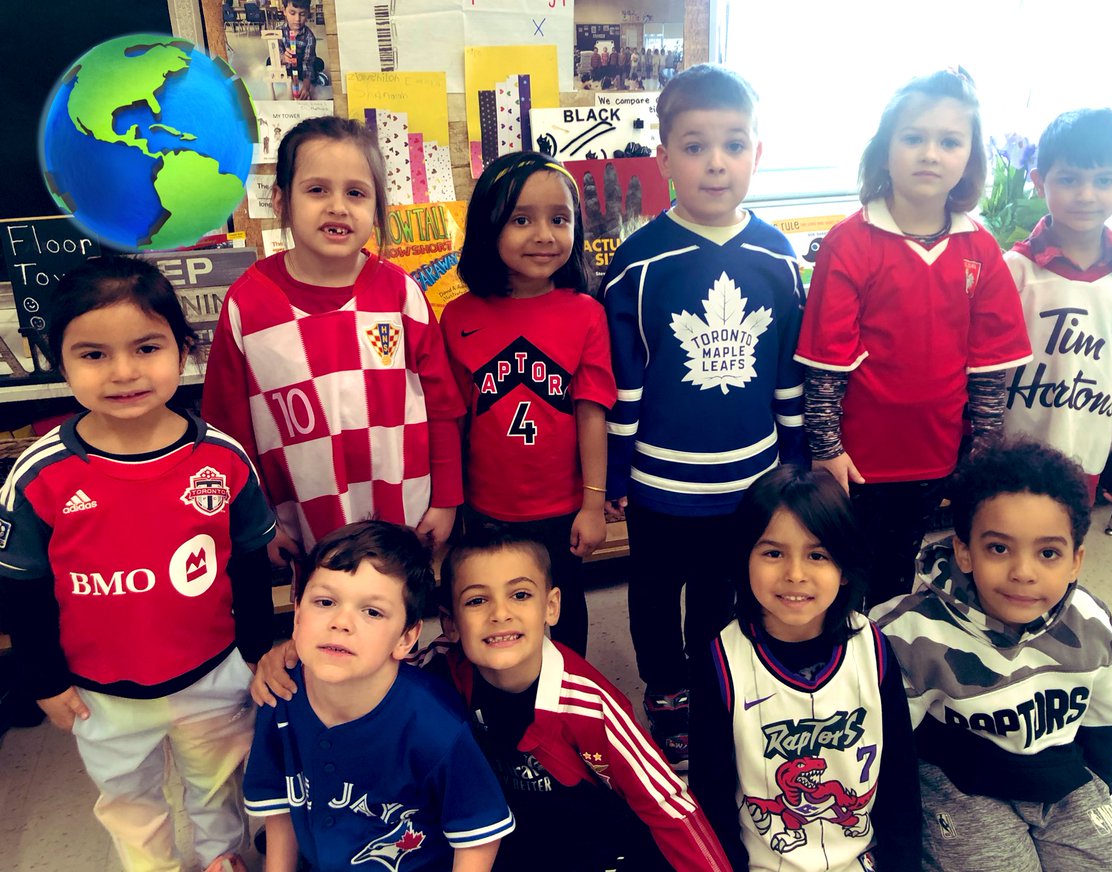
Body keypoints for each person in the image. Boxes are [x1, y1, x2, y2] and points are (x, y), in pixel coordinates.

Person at [0, 255, 278, 872]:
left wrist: (257, 650)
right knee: (129, 805)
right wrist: (42, 679)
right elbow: (23, 588)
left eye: (147, 347)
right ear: (59, 359)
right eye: (93, 354)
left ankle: (221, 861)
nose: (123, 372)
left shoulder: (223, 459)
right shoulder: (41, 475)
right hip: (100, 695)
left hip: (213, 676)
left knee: (217, 791)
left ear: (183, 350)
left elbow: (251, 563)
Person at [250, 527, 733, 871]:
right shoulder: (442, 663)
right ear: (452, 622)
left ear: (552, 607)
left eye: (520, 596)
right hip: (498, 836)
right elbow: (370, 656)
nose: (500, 615)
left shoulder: (590, 706)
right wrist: (290, 654)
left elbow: (672, 808)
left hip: (591, 846)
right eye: (478, 600)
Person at [603, 63, 806, 768]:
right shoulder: (637, 264)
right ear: (663, 159)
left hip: (749, 480)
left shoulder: (779, 259)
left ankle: (719, 692)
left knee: (726, 596)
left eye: (733, 144)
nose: (715, 163)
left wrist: (797, 462)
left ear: (757, 153)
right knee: (656, 596)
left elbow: (787, 374)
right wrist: (614, 478)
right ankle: (667, 696)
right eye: (693, 146)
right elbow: (624, 384)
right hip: (660, 484)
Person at [795, 69, 1032, 608]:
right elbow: (825, 366)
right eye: (913, 138)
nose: (930, 153)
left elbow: (989, 369)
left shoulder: (981, 249)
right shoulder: (849, 243)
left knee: (899, 568)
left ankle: (886, 661)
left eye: (949, 141)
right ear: (885, 151)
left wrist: (981, 453)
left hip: (936, 458)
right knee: (842, 569)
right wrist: (828, 449)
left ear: (969, 159)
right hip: (856, 463)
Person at [870, 438, 1112, 871]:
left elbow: (1104, 721)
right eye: (999, 548)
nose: (1023, 572)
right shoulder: (907, 633)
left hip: (1061, 777)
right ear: (964, 550)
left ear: (1075, 561)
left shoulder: (1090, 623)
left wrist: (1098, 789)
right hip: (961, 783)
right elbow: (890, 752)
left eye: (1048, 553)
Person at [202, 116, 465, 571]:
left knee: (394, 625)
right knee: (325, 628)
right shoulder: (249, 302)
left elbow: (442, 408)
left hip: (402, 517)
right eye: (317, 190)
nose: (338, 207)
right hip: (305, 526)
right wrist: (259, 523)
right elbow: (229, 432)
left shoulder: (402, 295)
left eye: (356, 193)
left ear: (378, 206)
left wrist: (446, 500)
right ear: (282, 200)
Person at [242, 521, 514, 871]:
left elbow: (478, 836)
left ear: (406, 638)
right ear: (297, 615)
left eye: (372, 611)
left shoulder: (435, 726)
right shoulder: (279, 691)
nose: (341, 622)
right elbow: (280, 809)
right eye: (325, 601)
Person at [690, 467, 920, 871]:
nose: (795, 573)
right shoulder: (721, 659)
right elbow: (711, 793)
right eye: (773, 552)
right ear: (744, 558)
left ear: (845, 568)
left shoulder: (874, 647)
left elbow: (900, 777)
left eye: (817, 555)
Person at [442, 152, 617, 656]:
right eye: (522, 219)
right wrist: (451, 506)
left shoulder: (586, 314)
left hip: (562, 508)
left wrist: (592, 503)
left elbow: (591, 412)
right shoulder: (458, 317)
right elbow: (452, 421)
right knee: (491, 614)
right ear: (487, 226)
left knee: (562, 617)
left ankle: (565, 708)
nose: (544, 234)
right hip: (486, 507)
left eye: (559, 219)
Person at [1003, 109, 1112, 503]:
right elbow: (982, 375)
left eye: (1104, 180)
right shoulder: (1012, 273)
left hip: (1088, 456)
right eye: (1069, 179)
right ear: (1039, 182)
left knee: (1061, 553)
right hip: (1009, 456)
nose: (1087, 195)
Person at [276, 0, 316, 100]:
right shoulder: (278, 32)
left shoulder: (309, 37)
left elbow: (307, 62)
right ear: (284, 11)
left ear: (307, 13)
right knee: (269, 61)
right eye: (292, 13)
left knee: (317, 63)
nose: (297, 19)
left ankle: (314, 77)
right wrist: (283, 58)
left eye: (302, 14)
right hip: (286, 65)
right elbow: (278, 53)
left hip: (301, 64)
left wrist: (306, 86)